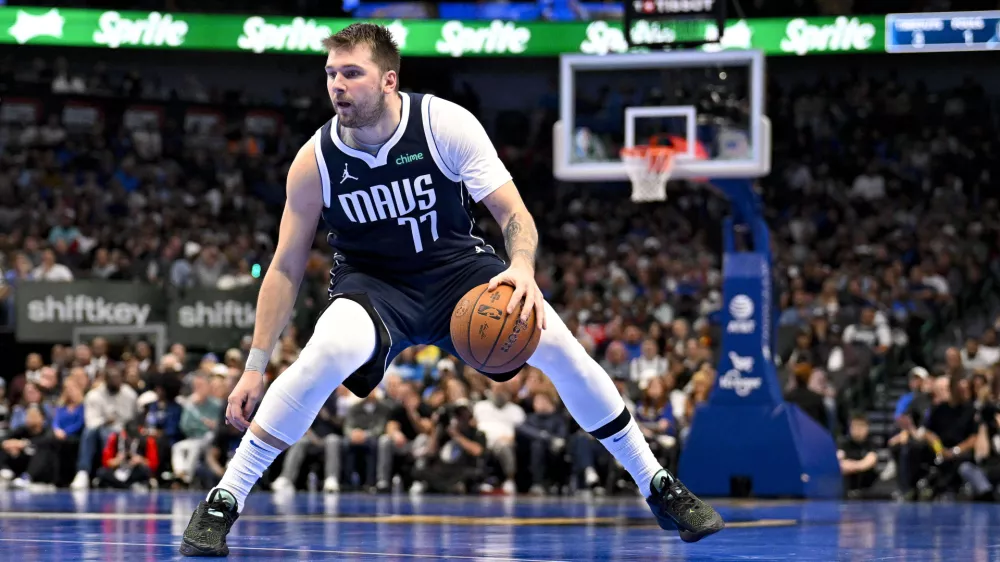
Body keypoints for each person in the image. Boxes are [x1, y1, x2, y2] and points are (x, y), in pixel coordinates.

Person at [179, 23, 723, 557]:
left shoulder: (443, 123)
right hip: (375, 286)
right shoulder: (314, 160)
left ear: (389, 81)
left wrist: (524, 269)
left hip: (457, 271)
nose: (337, 86)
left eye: (351, 73)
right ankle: (224, 499)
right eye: (330, 74)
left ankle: (657, 484)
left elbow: (514, 213)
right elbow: (283, 268)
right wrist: (255, 364)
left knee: (559, 345)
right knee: (326, 351)